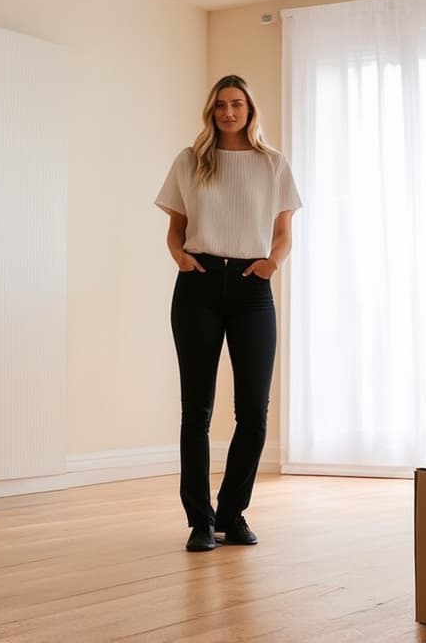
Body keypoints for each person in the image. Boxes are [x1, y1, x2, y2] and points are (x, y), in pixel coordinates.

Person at [155, 74, 302, 552]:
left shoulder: (273, 164)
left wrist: (271, 265)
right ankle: (201, 520)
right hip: (197, 286)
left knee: (254, 413)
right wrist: (180, 257)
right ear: (211, 110)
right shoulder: (191, 161)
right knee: (196, 410)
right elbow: (175, 228)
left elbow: (283, 234)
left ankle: (232, 514)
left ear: (250, 109)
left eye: (236, 104)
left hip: (251, 288)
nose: (228, 112)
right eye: (220, 105)